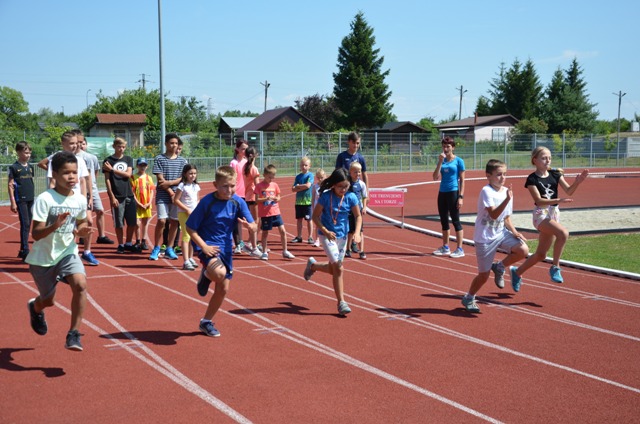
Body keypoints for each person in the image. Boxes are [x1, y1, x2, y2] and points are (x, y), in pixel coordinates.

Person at [25, 151, 93, 351]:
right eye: (66, 173)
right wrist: (55, 225)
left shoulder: (79, 199)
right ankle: (35, 308)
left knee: (80, 284)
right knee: (48, 301)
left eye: (74, 172)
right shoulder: (46, 199)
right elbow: (36, 234)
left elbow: (79, 224)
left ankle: (73, 333)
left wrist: (82, 231)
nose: (71, 177)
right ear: (54, 174)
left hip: (67, 251)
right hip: (43, 257)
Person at [186, 165, 257, 337]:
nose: (229, 189)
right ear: (215, 185)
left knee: (223, 288)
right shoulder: (207, 202)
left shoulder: (237, 202)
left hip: (226, 249)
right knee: (219, 274)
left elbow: (254, 225)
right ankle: (207, 274)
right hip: (208, 246)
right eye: (225, 186)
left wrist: (251, 227)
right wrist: (203, 247)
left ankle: (206, 322)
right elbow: (190, 227)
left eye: (232, 185)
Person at [510, 147, 589, 286]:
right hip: (541, 214)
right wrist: (558, 200)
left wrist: (578, 182)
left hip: (553, 214)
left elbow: (569, 191)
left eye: (550, 158)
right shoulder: (532, 179)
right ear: (535, 160)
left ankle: (517, 272)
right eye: (544, 158)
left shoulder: (555, 174)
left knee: (541, 254)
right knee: (563, 233)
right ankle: (555, 267)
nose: (548, 160)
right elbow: (539, 201)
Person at [460, 159, 529, 313]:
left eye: (505, 174)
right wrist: (507, 199)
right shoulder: (486, 191)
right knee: (483, 276)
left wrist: (515, 231)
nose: (502, 178)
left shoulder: (507, 192)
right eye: (498, 175)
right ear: (488, 176)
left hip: (501, 233)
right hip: (485, 237)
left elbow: (506, 218)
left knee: (523, 250)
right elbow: (493, 214)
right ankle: (469, 297)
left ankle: (499, 267)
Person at [303, 168, 362, 316]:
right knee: (339, 268)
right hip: (326, 235)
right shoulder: (325, 197)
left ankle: (314, 265)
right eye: (340, 186)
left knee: (334, 268)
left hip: (342, 237)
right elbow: (315, 216)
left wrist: (356, 233)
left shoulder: (351, 197)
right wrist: (326, 230)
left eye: (346, 186)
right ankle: (341, 302)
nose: (343, 189)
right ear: (334, 185)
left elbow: (358, 216)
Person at [149, 133, 187, 260]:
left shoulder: (182, 161)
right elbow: (160, 180)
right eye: (171, 143)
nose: (174, 145)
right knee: (161, 220)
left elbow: (183, 178)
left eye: (176, 143)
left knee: (175, 221)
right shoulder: (159, 159)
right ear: (165, 144)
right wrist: (171, 192)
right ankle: (156, 247)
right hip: (163, 195)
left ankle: (170, 248)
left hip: (178, 195)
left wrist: (170, 184)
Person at [77, 132, 114, 246]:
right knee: (85, 216)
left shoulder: (92, 157)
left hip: (92, 188)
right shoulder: (75, 157)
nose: (82, 145)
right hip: (81, 189)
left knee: (100, 211)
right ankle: (83, 235)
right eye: (80, 143)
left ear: (86, 145)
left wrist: (92, 185)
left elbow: (95, 172)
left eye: (83, 143)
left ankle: (101, 236)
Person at [102, 137, 138, 254]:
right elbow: (107, 180)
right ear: (114, 146)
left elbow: (128, 174)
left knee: (132, 222)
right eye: (119, 146)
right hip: (117, 196)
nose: (121, 149)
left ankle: (128, 243)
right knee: (119, 223)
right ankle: (121, 244)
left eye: (123, 147)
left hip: (129, 195)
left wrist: (112, 170)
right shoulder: (108, 160)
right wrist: (111, 196)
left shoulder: (128, 159)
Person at [432, 136, 466, 258]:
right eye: (444, 146)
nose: (445, 149)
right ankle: (445, 247)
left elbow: (462, 180)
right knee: (444, 220)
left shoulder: (459, 161)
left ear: (453, 147)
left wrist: (460, 196)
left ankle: (460, 248)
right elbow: (435, 177)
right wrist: (440, 162)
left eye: (448, 146)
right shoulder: (442, 161)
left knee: (456, 220)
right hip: (442, 193)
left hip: (453, 192)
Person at [255, 164, 295, 261]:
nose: (271, 179)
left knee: (283, 231)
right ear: (264, 175)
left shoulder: (275, 185)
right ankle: (264, 252)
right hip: (265, 214)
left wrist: (277, 198)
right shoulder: (259, 186)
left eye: (273, 177)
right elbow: (256, 200)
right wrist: (266, 198)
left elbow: (279, 197)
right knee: (265, 233)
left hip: (276, 212)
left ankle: (285, 250)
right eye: (269, 177)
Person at [8, 141, 35, 261]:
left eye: (29, 152)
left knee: (29, 223)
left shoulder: (30, 167)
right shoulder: (14, 167)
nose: (28, 155)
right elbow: (10, 185)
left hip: (30, 198)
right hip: (21, 199)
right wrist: (13, 202)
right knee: (25, 224)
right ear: (19, 152)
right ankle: (25, 250)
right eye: (26, 152)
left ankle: (22, 249)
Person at [174, 164, 201, 270]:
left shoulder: (196, 186)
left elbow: (197, 200)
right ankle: (185, 261)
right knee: (186, 236)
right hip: (184, 213)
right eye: (190, 173)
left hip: (194, 214)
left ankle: (190, 258)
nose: (193, 175)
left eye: (194, 173)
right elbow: (176, 200)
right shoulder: (182, 186)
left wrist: (198, 210)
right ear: (185, 174)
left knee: (193, 236)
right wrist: (187, 209)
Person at [131, 158, 155, 251]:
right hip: (137, 204)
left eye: (144, 165)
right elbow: (132, 192)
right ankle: (137, 241)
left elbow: (152, 191)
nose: (142, 167)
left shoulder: (149, 178)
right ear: (137, 166)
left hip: (147, 204)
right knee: (137, 223)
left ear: (147, 166)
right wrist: (138, 202)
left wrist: (149, 202)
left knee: (145, 223)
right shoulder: (133, 178)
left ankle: (143, 241)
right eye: (140, 165)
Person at [345, 162, 368, 259]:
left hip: (358, 210)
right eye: (355, 172)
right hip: (349, 210)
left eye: (359, 172)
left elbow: (364, 196)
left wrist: (365, 207)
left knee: (360, 231)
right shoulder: (347, 183)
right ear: (350, 172)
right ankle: (348, 249)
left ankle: (361, 251)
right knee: (350, 231)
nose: (357, 174)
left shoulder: (361, 184)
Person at [242, 146, 262, 256]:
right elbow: (258, 185)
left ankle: (251, 243)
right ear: (255, 156)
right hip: (254, 196)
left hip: (248, 195)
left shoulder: (245, 167)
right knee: (255, 222)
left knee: (252, 221)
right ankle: (252, 245)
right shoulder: (254, 169)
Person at [230, 139, 248, 254]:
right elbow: (232, 178)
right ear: (237, 150)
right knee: (235, 220)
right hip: (236, 194)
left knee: (244, 219)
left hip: (246, 194)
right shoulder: (234, 163)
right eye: (243, 149)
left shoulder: (247, 162)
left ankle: (243, 241)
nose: (245, 151)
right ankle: (237, 243)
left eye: (246, 149)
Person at [291, 156, 315, 244]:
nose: (303, 167)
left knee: (309, 220)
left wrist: (298, 186)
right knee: (299, 220)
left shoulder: (310, 175)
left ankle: (310, 237)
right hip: (299, 202)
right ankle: (299, 236)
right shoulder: (298, 176)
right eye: (302, 165)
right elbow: (293, 189)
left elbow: (308, 186)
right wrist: (301, 187)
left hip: (307, 202)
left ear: (309, 166)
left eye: (306, 165)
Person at [310, 168, 326, 247]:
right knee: (317, 224)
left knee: (326, 224)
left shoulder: (327, 187)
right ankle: (317, 240)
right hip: (317, 208)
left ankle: (326, 239)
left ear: (325, 177)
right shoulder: (315, 187)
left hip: (325, 209)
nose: (320, 179)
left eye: (321, 177)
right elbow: (313, 199)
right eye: (318, 177)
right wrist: (313, 209)